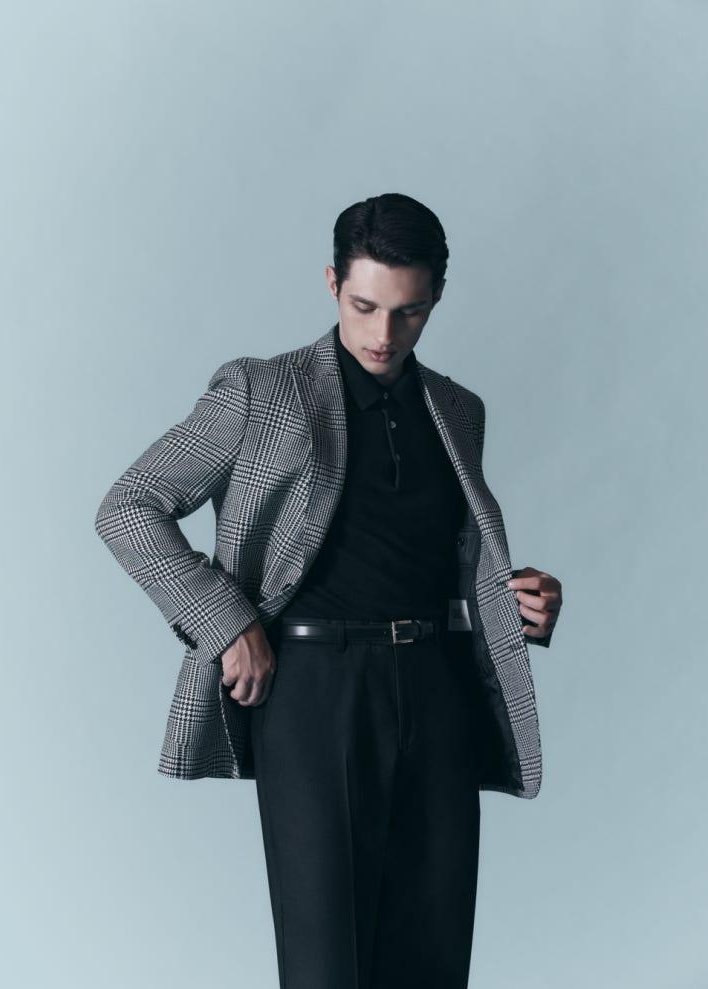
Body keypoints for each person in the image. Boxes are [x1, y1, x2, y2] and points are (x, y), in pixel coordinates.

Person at [94, 192, 563, 989]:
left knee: (432, 961)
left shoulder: (458, 410)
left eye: (409, 312)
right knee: (326, 967)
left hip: (436, 690)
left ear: (435, 298)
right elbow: (128, 506)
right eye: (364, 306)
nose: (384, 334)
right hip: (313, 693)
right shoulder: (260, 391)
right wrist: (225, 620)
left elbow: (443, 559)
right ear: (331, 283)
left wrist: (522, 600)